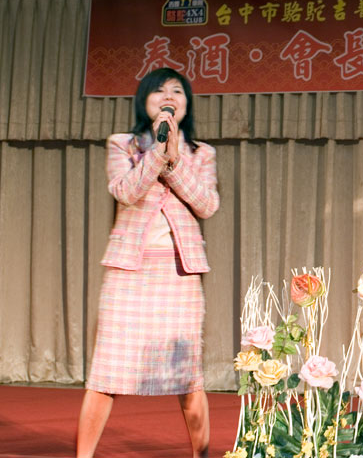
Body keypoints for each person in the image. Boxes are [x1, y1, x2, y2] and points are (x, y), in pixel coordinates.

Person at [76, 68, 219, 458]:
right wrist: (158, 152)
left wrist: (175, 161)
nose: (168, 96)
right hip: (129, 272)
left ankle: (202, 455)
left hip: (179, 274)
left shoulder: (202, 153)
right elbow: (126, 191)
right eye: (159, 90)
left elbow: (207, 204)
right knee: (105, 374)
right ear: (144, 101)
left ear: (186, 104)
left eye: (177, 91)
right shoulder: (123, 144)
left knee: (189, 377)